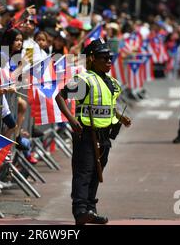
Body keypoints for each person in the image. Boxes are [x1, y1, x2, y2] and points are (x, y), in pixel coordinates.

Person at [55, 39, 132, 225]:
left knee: (98, 172)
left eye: (110, 58)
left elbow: (108, 106)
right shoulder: (85, 79)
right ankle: (80, 210)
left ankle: (90, 208)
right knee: (84, 171)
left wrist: (121, 118)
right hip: (86, 132)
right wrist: (72, 121)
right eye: (104, 58)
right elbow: (60, 97)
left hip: (105, 134)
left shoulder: (113, 83)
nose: (108, 61)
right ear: (92, 59)